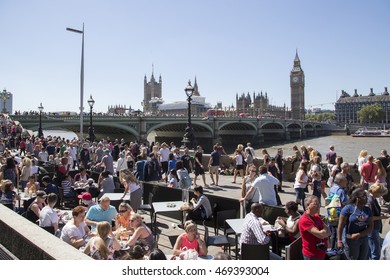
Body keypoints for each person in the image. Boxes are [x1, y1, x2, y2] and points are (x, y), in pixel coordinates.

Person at [337, 188, 373, 260]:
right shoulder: (348, 209)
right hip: (350, 240)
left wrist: (360, 234)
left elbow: (370, 227)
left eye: (366, 196)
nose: (366, 198)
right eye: (363, 196)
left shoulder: (367, 209)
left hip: (363, 239)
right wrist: (339, 241)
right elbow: (340, 226)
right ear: (357, 198)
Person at [298, 195, 331, 260]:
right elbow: (321, 235)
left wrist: (324, 232)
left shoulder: (316, 216)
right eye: (315, 204)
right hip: (312, 255)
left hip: (321, 252)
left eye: (319, 203)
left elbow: (329, 232)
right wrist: (324, 232)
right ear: (307, 205)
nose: (318, 206)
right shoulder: (304, 220)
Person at [367, 183, 390, 260]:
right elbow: (370, 218)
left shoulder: (373, 199)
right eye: (381, 193)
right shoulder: (370, 201)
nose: (381, 195)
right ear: (376, 192)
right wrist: (382, 217)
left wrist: (383, 214)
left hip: (374, 228)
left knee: (374, 248)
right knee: (375, 252)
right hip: (372, 229)